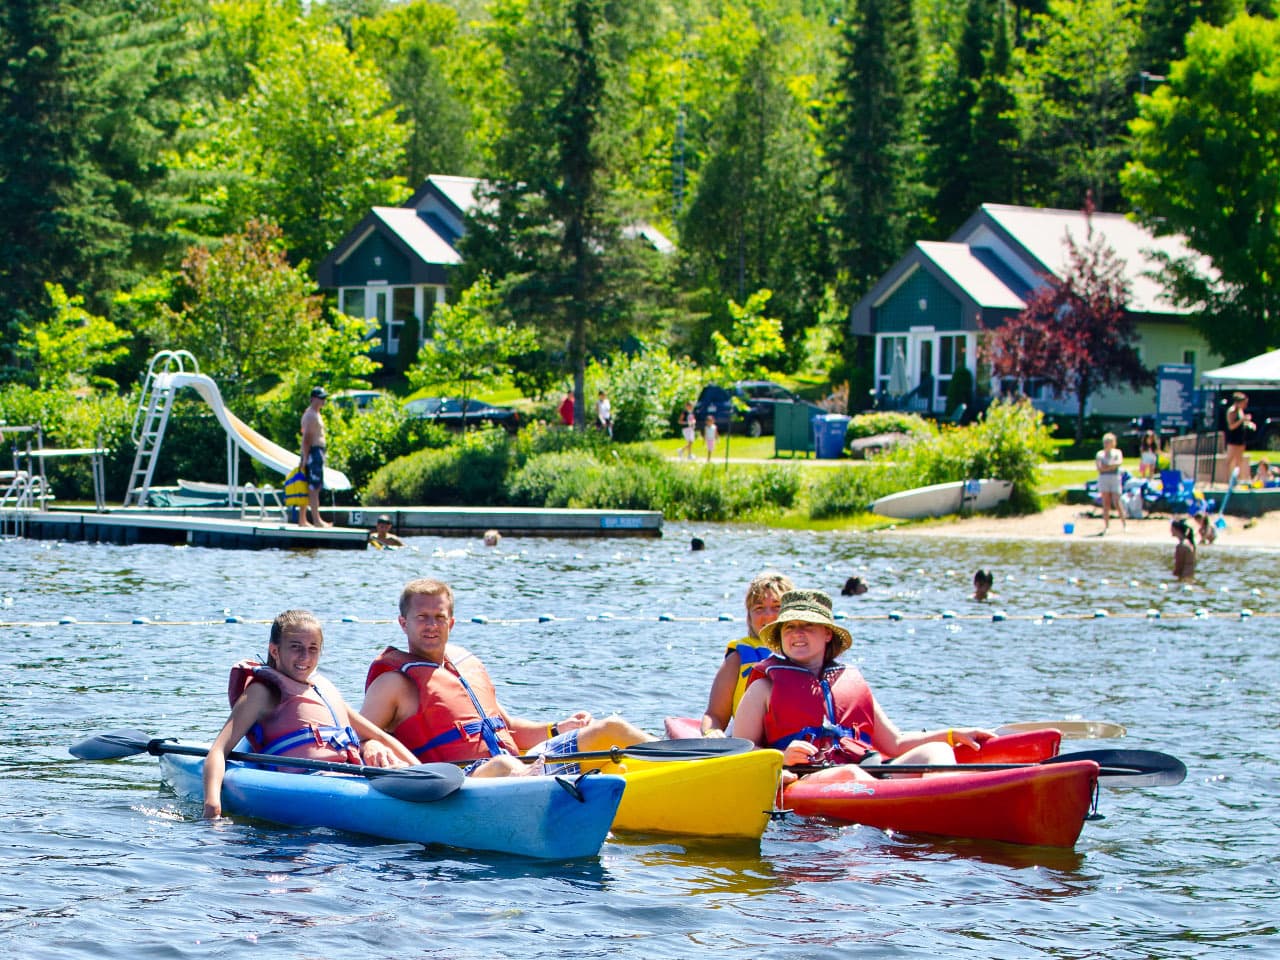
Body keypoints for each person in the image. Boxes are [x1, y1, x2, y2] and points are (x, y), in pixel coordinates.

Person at [361, 578, 653, 778]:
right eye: (421, 617)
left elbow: (507, 727)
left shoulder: (464, 666)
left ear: (451, 622)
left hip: (522, 765)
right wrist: (371, 744)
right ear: (403, 623)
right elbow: (360, 734)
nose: (431, 626)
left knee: (612, 727)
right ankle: (549, 792)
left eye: (438, 617)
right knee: (502, 764)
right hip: (464, 780)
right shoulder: (394, 683)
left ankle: (688, 761)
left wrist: (557, 728)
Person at [733, 589, 994, 781]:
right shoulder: (763, 688)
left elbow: (895, 743)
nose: (797, 634)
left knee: (935, 751)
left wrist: (951, 735)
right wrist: (781, 757)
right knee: (847, 773)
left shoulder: (849, 680)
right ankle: (905, 804)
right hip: (805, 778)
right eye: (789, 627)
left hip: (865, 773)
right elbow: (740, 751)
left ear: (827, 634)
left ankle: (947, 804)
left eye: (808, 626)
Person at [203, 609, 417, 818]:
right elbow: (219, 750)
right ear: (275, 650)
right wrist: (212, 805)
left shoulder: (323, 688)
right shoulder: (262, 692)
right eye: (296, 647)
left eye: (313, 648)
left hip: (351, 776)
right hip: (309, 783)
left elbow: (381, 736)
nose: (305, 656)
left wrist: (422, 771)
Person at [698, 571, 794, 736]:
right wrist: (711, 732)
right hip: (748, 742)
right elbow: (715, 715)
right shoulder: (739, 657)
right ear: (749, 616)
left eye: (777, 607)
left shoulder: (808, 653)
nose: (768, 615)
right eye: (759, 608)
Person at [299, 387, 332, 528]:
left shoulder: (316, 414)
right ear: (313, 398)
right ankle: (316, 520)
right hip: (312, 452)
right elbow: (307, 437)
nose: (323, 400)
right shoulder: (311, 415)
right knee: (314, 486)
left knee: (311, 486)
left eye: (324, 398)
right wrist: (305, 457)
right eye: (321, 398)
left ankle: (304, 520)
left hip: (316, 451)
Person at [1095, 432, 1125, 534]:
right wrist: (1110, 467)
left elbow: (1118, 463)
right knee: (1106, 502)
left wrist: (1107, 466)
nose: (1107, 444)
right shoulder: (1100, 454)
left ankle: (1124, 524)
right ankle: (1106, 526)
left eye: (1109, 442)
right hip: (1104, 479)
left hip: (1115, 478)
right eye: (1105, 442)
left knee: (1117, 501)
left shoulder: (1117, 452)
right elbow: (1099, 468)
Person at [1223, 392, 1255, 482]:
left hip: (1241, 438)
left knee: (1239, 460)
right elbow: (1231, 426)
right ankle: (1227, 479)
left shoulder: (1240, 411)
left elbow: (1242, 422)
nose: (1245, 405)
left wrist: (1249, 423)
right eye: (1243, 403)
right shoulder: (1231, 411)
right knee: (1229, 460)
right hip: (1233, 439)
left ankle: (1238, 479)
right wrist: (1242, 420)